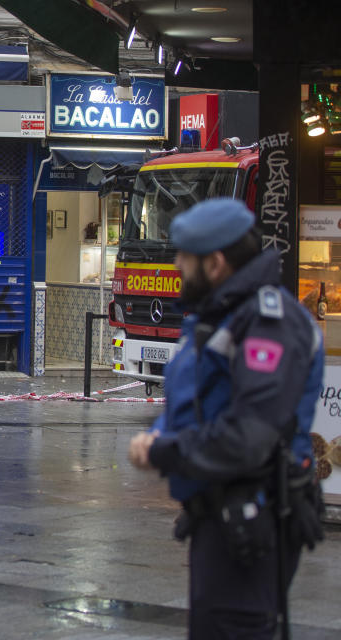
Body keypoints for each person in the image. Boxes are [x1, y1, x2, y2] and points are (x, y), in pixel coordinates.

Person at [128, 198, 325, 639]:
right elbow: (196, 399)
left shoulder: (268, 324)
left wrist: (163, 450)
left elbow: (249, 435)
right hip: (217, 515)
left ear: (215, 263)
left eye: (184, 257)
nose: (177, 265)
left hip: (252, 518)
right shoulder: (221, 317)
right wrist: (162, 434)